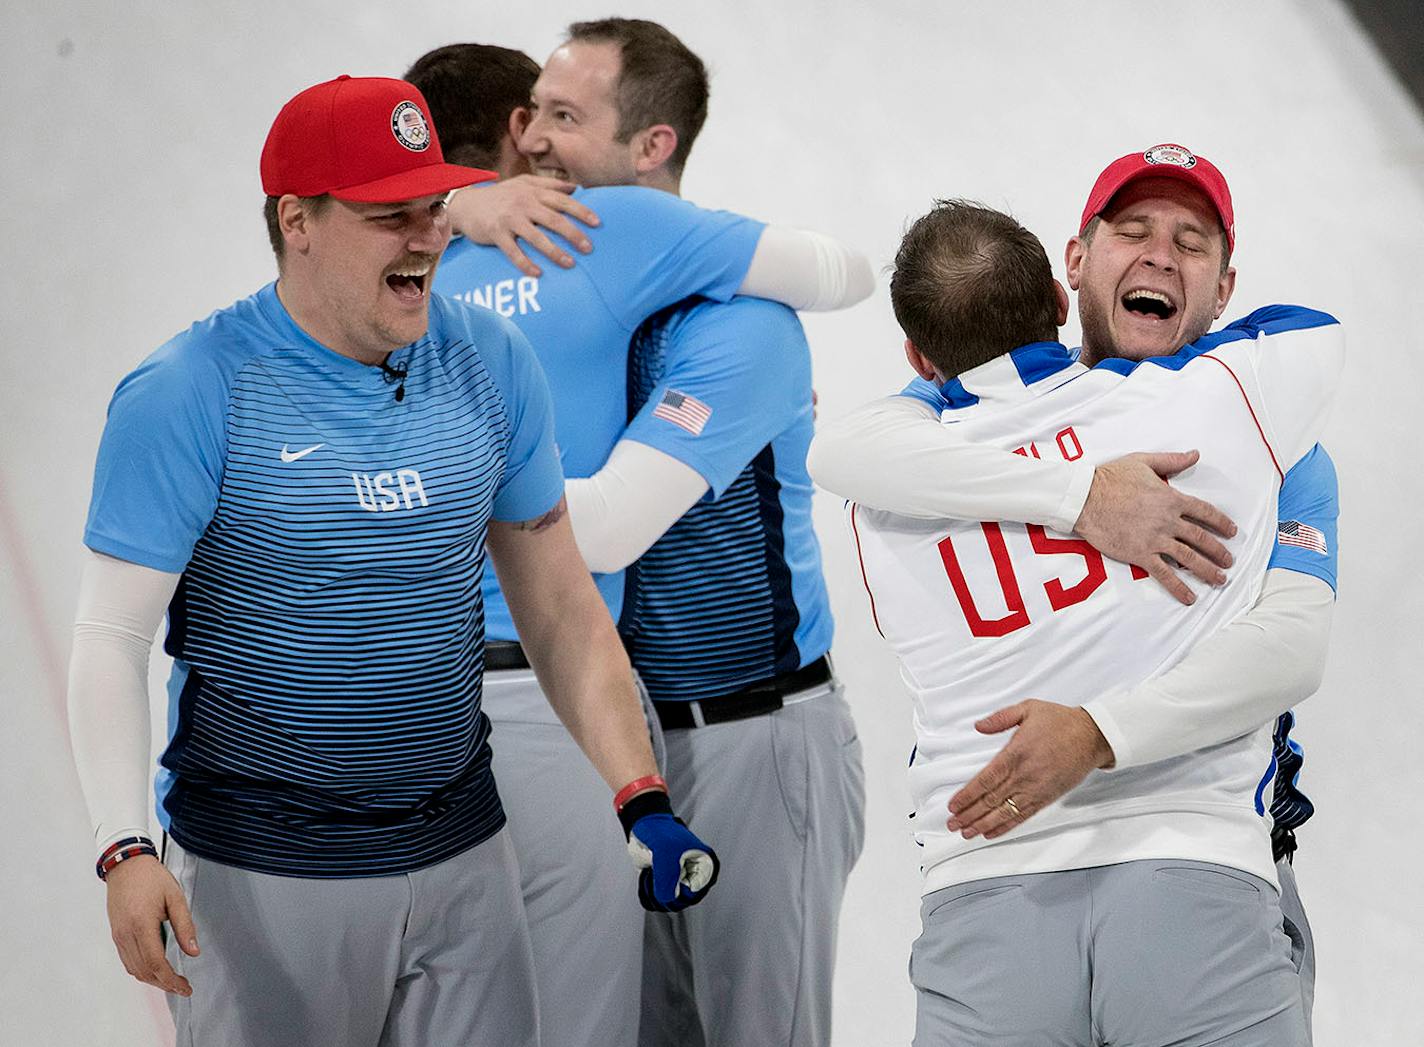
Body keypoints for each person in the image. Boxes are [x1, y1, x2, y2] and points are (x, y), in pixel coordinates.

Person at [65, 75, 718, 1047]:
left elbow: (560, 608)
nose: (427, 237)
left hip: (462, 858)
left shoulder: (491, 362)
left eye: (434, 207)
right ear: (298, 221)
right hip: (263, 875)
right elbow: (112, 640)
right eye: (388, 216)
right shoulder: (191, 390)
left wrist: (640, 796)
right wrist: (124, 849)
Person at [808, 144, 1335, 1035]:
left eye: (1192, 242)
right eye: (1133, 231)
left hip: (1028, 875)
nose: (1161, 254)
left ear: (1224, 287)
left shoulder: (920, 455)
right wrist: (1081, 496)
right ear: (1073, 271)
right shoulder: (1244, 416)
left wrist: (1097, 733)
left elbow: (1288, 646)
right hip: (1179, 870)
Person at [413, 22, 868, 1047]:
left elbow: (609, 529)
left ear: (650, 149)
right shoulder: (542, 268)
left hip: (749, 736)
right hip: (625, 736)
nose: (530, 141)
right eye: (528, 112)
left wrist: (414, 490)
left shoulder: (738, 324)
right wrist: (453, 204)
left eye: (564, 120)